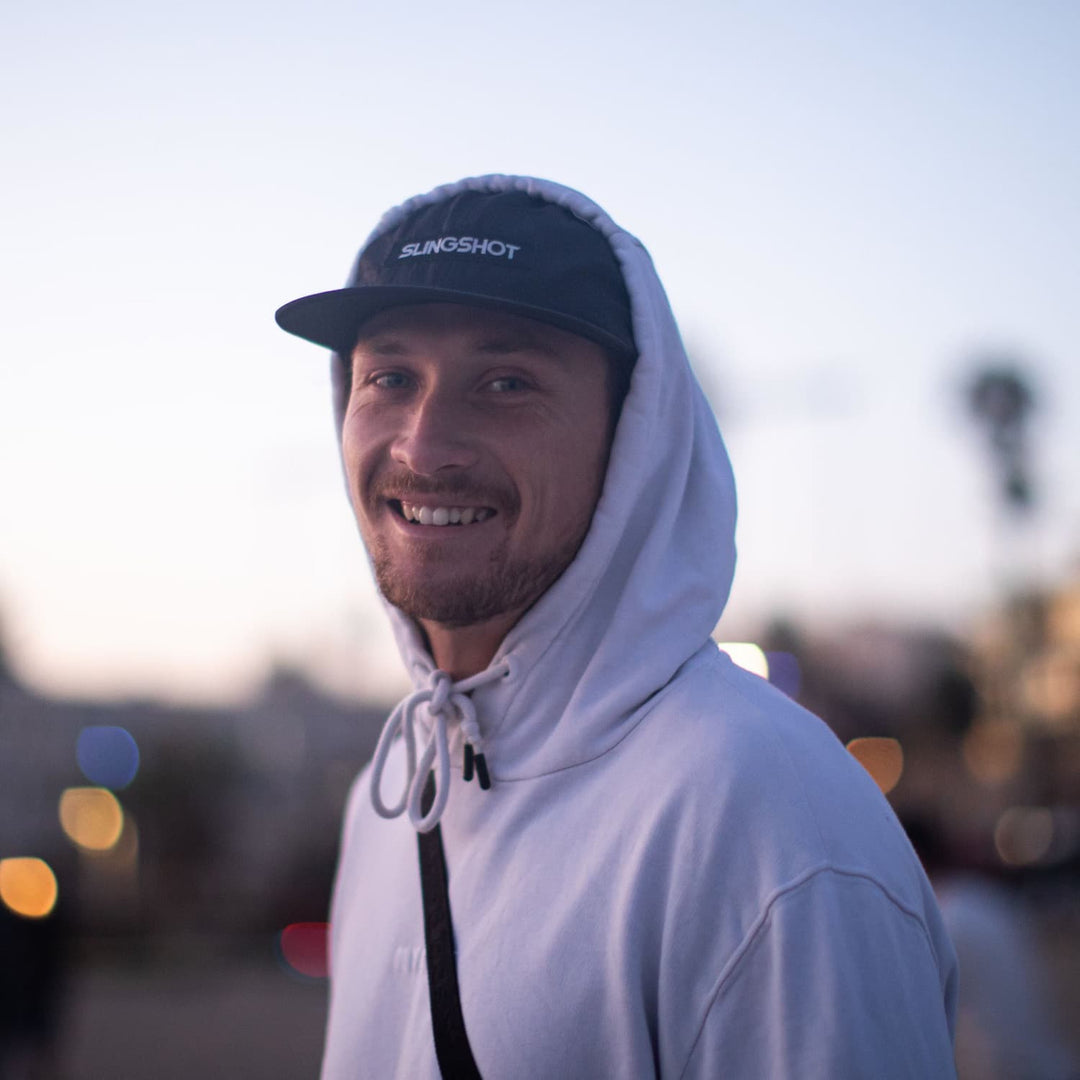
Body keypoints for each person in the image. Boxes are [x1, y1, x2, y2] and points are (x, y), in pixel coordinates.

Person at [276, 175, 959, 1078]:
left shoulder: (768, 817)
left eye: (507, 382)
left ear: (634, 435)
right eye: (390, 378)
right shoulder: (391, 793)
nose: (423, 445)